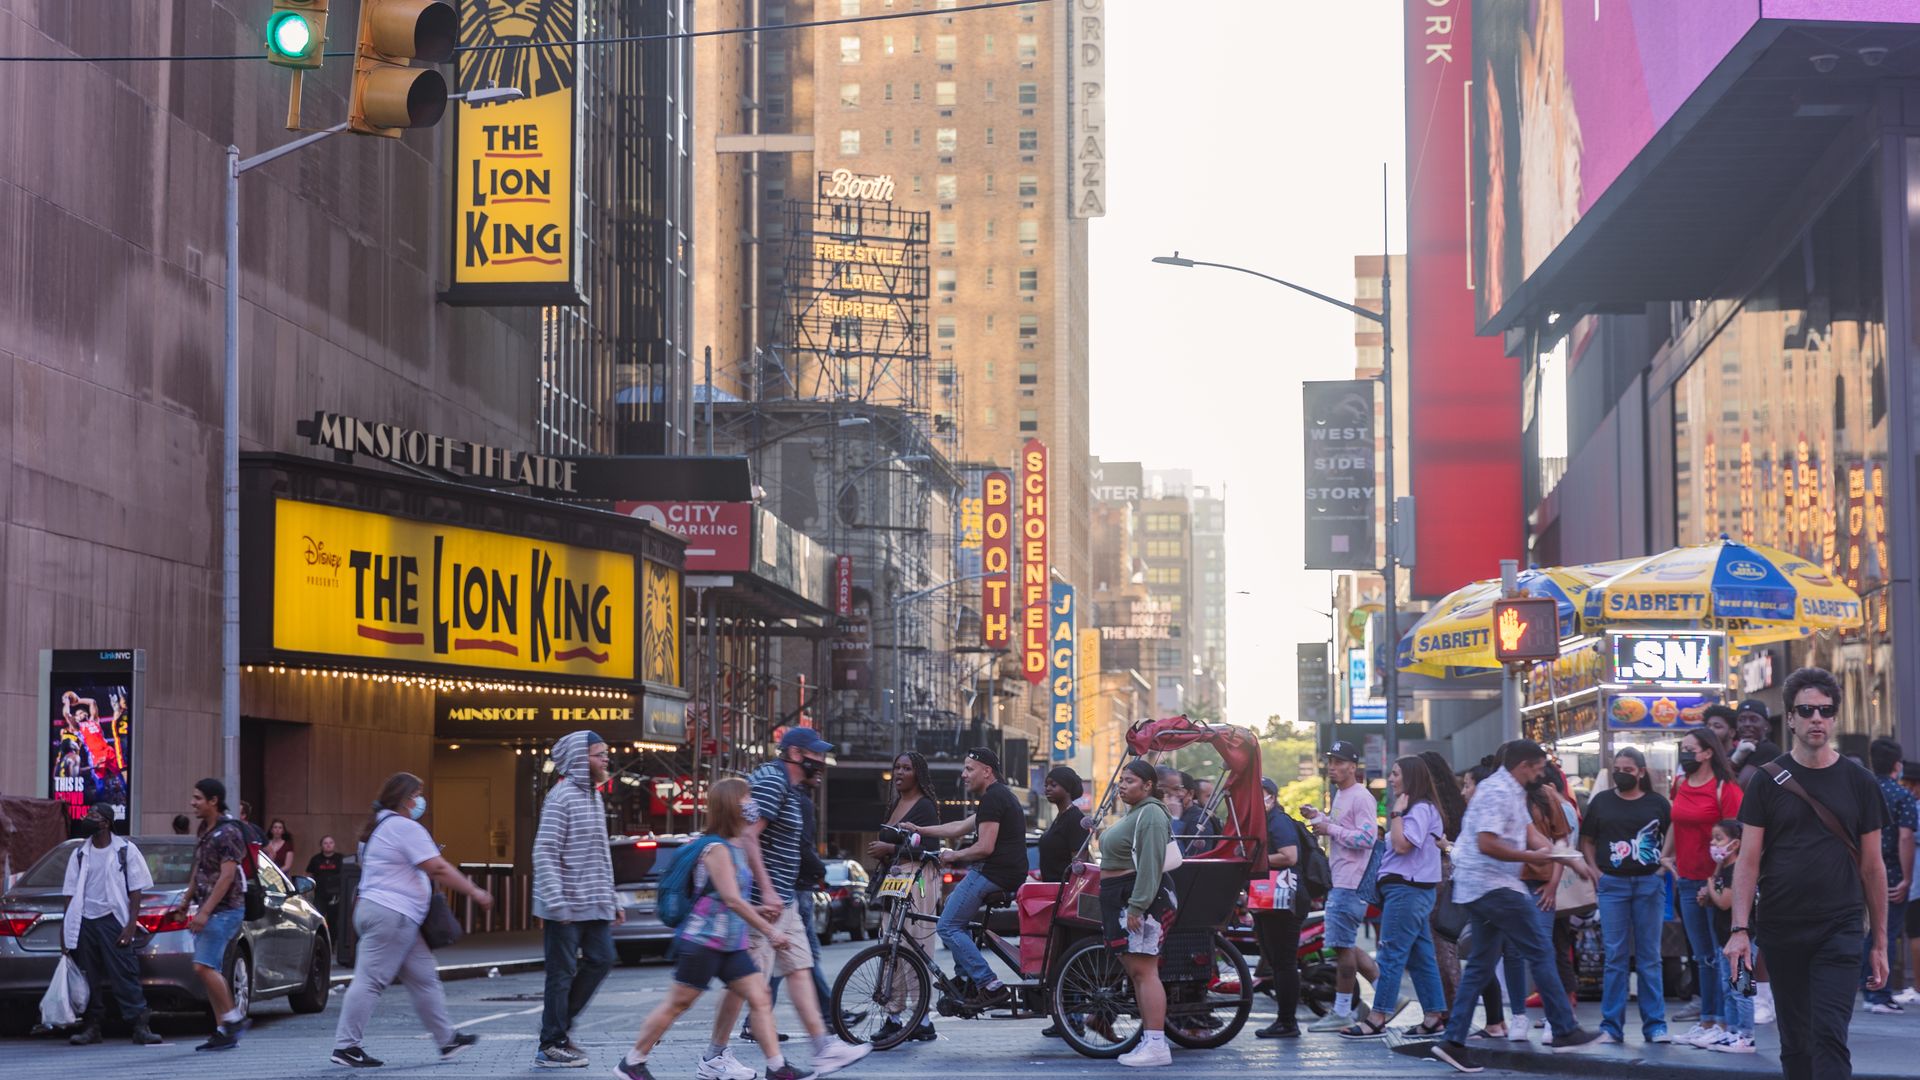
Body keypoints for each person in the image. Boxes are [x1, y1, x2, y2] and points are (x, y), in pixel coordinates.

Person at [1726, 666, 1888, 1080]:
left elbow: (1872, 866)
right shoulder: (1766, 782)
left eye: (1825, 710)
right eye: (1806, 710)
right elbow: (1748, 861)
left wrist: (1881, 943)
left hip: (1840, 925)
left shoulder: (1861, 782)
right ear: (1792, 718)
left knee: (1830, 1034)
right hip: (1781, 926)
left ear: (1834, 718)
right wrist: (1739, 930)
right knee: (1795, 1041)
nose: (1817, 718)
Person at [1404, 740, 1600, 1073]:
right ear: (1524, 765)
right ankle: (1565, 1029)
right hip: (1493, 885)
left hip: (1484, 886)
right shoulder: (1498, 792)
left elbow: (1532, 836)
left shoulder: (1510, 791)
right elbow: (1488, 842)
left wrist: (1569, 859)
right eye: (1538, 768)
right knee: (1539, 950)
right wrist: (1532, 857)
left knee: (1480, 964)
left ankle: (1452, 1042)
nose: (1542, 773)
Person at [614, 779, 804, 1080]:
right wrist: (771, 931)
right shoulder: (716, 848)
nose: (752, 803)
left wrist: (757, 910)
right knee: (678, 1003)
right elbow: (730, 899)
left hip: (730, 943)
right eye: (746, 797)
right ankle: (632, 1062)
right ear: (731, 805)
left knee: (760, 996)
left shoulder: (735, 845)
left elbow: (728, 900)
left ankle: (777, 1067)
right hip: (703, 942)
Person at [711, 727, 870, 1078]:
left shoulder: (791, 787)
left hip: (786, 902)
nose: (822, 762)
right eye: (817, 755)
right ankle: (715, 1055)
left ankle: (823, 1048)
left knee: (799, 970)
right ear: (797, 754)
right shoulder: (772, 782)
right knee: (744, 985)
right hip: (764, 905)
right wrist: (766, 890)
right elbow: (749, 837)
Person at [330, 772, 490, 1067]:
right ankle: (346, 1046)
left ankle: (447, 1041)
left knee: (424, 978)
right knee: (370, 980)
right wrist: (475, 891)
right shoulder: (404, 827)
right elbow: (438, 868)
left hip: (387, 914)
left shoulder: (377, 829)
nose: (420, 801)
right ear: (405, 799)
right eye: (417, 795)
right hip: (394, 914)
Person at [532, 731, 623, 1069]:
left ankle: (558, 1027)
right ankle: (550, 1044)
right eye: (600, 754)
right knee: (561, 973)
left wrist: (613, 900)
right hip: (566, 905)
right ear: (580, 760)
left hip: (594, 902)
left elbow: (601, 854)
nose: (606, 760)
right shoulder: (562, 797)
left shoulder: (594, 797)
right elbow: (544, 851)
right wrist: (556, 901)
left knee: (602, 959)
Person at [1341, 756, 1447, 1039]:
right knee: (1421, 957)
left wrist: (1397, 814)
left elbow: (1401, 847)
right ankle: (1434, 1017)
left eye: (1396, 773)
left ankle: (1378, 1017)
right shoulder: (1419, 808)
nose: (1390, 778)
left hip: (1407, 891)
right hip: (1408, 891)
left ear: (1411, 777)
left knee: (1390, 954)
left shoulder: (1419, 809)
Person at [915, 748, 1030, 1008]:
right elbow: (957, 827)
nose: (963, 774)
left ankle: (989, 985)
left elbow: (985, 848)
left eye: (969, 769)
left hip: (992, 872)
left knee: (947, 926)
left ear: (986, 771)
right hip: (1001, 872)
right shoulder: (998, 796)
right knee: (957, 917)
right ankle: (966, 979)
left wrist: (953, 855)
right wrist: (920, 829)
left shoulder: (993, 798)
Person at [1580, 747, 1671, 1045]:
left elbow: (1673, 835)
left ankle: (1655, 1025)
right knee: (1615, 957)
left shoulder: (1658, 803)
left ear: (1641, 772)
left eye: (1628, 769)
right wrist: (1595, 871)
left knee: (1649, 958)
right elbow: (1587, 840)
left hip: (1648, 883)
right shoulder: (1601, 802)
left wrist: (1662, 867)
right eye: (1617, 768)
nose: (1622, 773)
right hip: (1613, 885)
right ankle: (1611, 1027)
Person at [1664, 725, 1743, 1049]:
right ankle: (1707, 1019)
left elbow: (1736, 839)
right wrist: (1666, 856)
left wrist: (1717, 880)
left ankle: (1722, 1020)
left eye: (1690, 749)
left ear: (1709, 752)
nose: (1685, 754)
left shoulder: (1726, 789)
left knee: (1718, 953)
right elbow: (1675, 820)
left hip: (1717, 882)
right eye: (1683, 749)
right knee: (1701, 956)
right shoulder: (1680, 783)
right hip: (1686, 878)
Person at [60, 802, 162, 1046]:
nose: (87, 818)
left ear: (105, 822)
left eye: (93, 815)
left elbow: (136, 891)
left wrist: (130, 925)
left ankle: (140, 1025)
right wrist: (66, 929)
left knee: (125, 973)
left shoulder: (125, 850)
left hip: (113, 920)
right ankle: (92, 1027)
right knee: (89, 977)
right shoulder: (79, 853)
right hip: (85, 921)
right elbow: (69, 892)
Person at [1099, 759, 1177, 1068]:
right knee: (1138, 973)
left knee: (1145, 972)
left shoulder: (1152, 814)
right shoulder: (1136, 813)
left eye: (1130, 780)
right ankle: (1150, 1039)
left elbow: (1151, 864)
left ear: (1148, 785)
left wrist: (1138, 905)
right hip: (1122, 897)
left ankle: (1157, 1045)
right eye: (1122, 780)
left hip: (1139, 899)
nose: (1122, 785)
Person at [866, 751, 943, 1044]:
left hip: (918, 880)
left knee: (916, 945)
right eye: (896, 767)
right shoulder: (896, 803)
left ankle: (921, 1018)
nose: (899, 772)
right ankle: (893, 1016)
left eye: (907, 768)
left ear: (918, 773)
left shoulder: (925, 807)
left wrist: (889, 849)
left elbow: (931, 848)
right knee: (890, 947)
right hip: (894, 882)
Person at [1303, 740, 1380, 1032]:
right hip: (1343, 879)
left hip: (1351, 881)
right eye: (1330, 762)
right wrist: (1319, 818)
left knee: (1342, 947)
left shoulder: (1360, 797)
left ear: (1352, 766)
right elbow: (1342, 831)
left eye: (1338, 762)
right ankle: (1386, 995)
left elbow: (1366, 839)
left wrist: (1329, 828)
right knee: (1345, 943)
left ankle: (1342, 1011)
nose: (1332, 767)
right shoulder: (1342, 795)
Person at [170, 778, 251, 1052]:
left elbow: (227, 875)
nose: (193, 803)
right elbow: (200, 869)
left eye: (198, 798)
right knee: (209, 969)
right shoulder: (205, 828)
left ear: (213, 800)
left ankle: (233, 1019)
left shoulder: (229, 832)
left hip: (226, 910)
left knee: (202, 966)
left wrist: (203, 913)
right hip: (209, 908)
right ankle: (222, 1031)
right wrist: (186, 901)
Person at [1863, 737, 1916, 1015]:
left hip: (1858, 868)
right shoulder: (1901, 795)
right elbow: (1905, 838)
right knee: (1886, 933)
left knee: (1865, 932)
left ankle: (1868, 990)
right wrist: (1907, 879)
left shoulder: (1862, 789)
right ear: (1897, 765)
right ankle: (1879, 993)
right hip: (1890, 872)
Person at [1252, 775, 1305, 1039]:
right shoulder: (1263, 822)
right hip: (1268, 902)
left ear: (1271, 797)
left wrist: (1256, 860)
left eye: (1259, 793)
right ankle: (1285, 1020)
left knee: (1283, 962)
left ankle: (1287, 1022)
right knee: (1276, 961)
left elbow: (1290, 856)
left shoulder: (1278, 821)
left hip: (1284, 903)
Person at [1702, 820, 1755, 1053]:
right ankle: (1733, 1031)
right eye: (1712, 838)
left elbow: (1724, 902)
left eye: (1719, 838)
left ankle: (1746, 1034)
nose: (1713, 843)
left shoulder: (1737, 870)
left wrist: (1709, 885)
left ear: (1735, 844)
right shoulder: (1724, 869)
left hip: (1741, 939)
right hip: (1724, 938)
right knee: (1728, 988)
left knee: (1741, 989)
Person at [1037, 766, 1090, 883]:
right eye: (1046, 785)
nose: (1048, 789)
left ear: (1068, 788)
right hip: (1051, 888)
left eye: (1053, 785)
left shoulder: (1075, 819)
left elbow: (1079, 864)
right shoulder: (1059, 818)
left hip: (1064, 891)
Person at [1730, 700, 1786, 789]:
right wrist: (1735, 759)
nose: (1747, 724)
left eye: (1753, 719)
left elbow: (1740, 786)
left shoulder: (1768, 749)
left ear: (1766, 725)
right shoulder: (1734, 751)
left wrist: (1734, 762)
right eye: (1742, 719)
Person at [305, 835, 346, 943]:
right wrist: (308, 889)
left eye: (330, 842)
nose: (328, 845)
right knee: (318, 919)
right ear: (321, 845)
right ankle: (319, 942)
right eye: (325, 843)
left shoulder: (341, 858)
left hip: (335, 895)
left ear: (334, 844)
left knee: (333, 921)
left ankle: (332, 943)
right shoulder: (316, 859)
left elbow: (346, 876)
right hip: (319, 894)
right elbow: (309, 875)